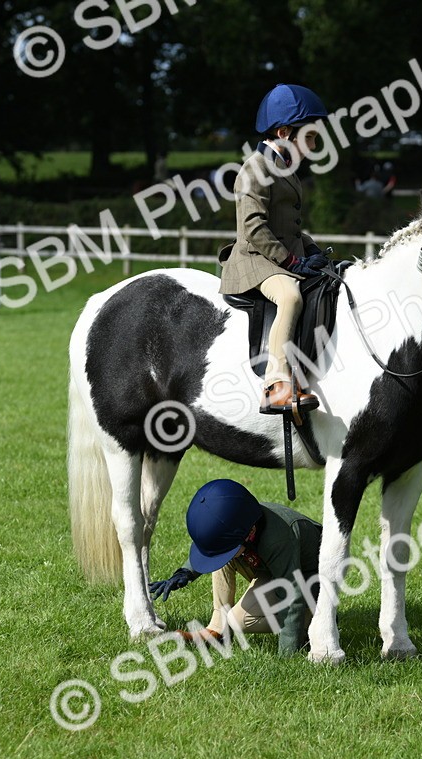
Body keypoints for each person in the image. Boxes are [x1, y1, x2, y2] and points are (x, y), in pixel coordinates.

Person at [219, 83, 330, 414]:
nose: (313, 147)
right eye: (310, 138)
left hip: (279, 257)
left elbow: (288, 227)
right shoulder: (255, 168)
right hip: (255, 260)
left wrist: (313, 252)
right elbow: (253, 228)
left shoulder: (284, 168)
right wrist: (292, 262)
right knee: (290, 296)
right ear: (283, 133)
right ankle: (276, 384)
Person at [149, 479, 322, 655]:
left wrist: (288, 653)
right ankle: (217, 631)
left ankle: (311, 621)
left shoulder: (277, 539)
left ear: (250, 533)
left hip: (308, 581)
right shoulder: (241, 519)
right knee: (222, 553)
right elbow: (213, 548)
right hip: (271, 568)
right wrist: (186, 572)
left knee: (238, 620)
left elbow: (292, 596)